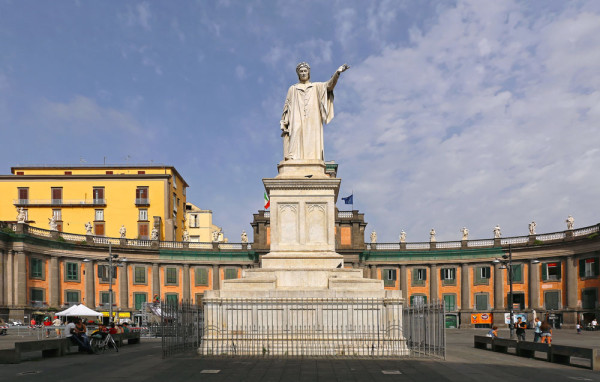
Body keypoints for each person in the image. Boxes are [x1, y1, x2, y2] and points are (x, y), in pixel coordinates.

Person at [280, 62, 349, 161]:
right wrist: (284, 121)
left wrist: (337, 73)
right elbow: (287, 106)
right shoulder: (293, 88)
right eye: (301, 71)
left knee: (312, 135)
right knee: (295, 131)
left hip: (313, 116)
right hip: (296, 115)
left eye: (305, 71)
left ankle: (313, 159)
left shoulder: (316, 86)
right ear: (298, 74)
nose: (303, 73)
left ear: (308, 73)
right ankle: (293, 158)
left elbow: (329, 85)